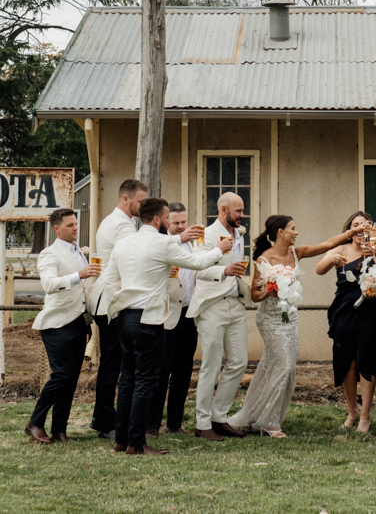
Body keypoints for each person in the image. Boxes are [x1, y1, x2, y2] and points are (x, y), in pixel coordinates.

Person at [102, 197, 232, 455]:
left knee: (127, 379)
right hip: (148, 320)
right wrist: (220, 249)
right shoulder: (161, 243)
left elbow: (110, 282)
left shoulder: (124, 243)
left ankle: (122, 439)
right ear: (158, 219)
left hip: (125, 318)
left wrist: (116, 313)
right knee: (146, 381)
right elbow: (197, 263)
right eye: (167, 216)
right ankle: (136, 443)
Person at [230, 214, 364, 438]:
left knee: (277, 367)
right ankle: (270, 423)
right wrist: (269, 291)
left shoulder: (296, 253)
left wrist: (351, 233)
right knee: (285, 366)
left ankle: (255, 414)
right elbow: (254, 296)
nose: (296, 232)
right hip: (270, 319)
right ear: (280, 232)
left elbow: (327, 245)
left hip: (289, 318)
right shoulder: (264, 259)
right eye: (293, 228)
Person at [25, 208, 100, 444]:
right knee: (61, 374)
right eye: (69, 225)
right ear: (56, 229)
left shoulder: (80, 251)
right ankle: (35, 423)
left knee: (71, 377)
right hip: (56, 323)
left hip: (78, 322)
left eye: (76, 224)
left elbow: (83, 291)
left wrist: (87, 322)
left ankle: (59, 429)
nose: (75, 228)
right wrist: (80, 274)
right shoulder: (49, 254)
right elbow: (48, 284)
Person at [186, 192, 250, 441]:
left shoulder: (238, 235)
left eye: (242, 210)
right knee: (211, 365)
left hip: (236, 304)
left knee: (239, 362)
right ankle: (202, 425)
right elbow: (196, 270)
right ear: (223, 209)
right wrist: (224, 270)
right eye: (238, 211)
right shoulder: (205, 234)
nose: (242, 215)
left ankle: (219, 417)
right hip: (212, 306)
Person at [88, 178, 148, 439]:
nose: (143, 206)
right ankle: (104, 420)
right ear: (126, 199)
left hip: (107, 299)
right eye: (141, 201)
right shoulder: (122, 227)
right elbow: (139, 256)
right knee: (113, 363)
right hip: (110, 301)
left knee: (112, 363)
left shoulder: (114, 221)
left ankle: (106, 418)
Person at [316, 212, 376, 434]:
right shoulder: (341, 249)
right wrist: (331, 259)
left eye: (364, 226)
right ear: (350, 228)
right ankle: (352, 411)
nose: (360, 229)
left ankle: (365, 416)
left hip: (369, 310)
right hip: (344, 310)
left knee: (367, 358)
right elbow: (319, 269)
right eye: (356, 225)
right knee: (347, 360)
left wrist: (375, 257)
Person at [146, 203, 200, 435]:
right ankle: (151, 424)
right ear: (166, 222)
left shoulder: (197, 245)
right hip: (167, 316)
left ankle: (175, 424)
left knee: (184, 371)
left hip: (190, 314)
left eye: (183, 222)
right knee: (161, 371)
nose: (180, 227)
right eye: (175, 222)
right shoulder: (162, 244)